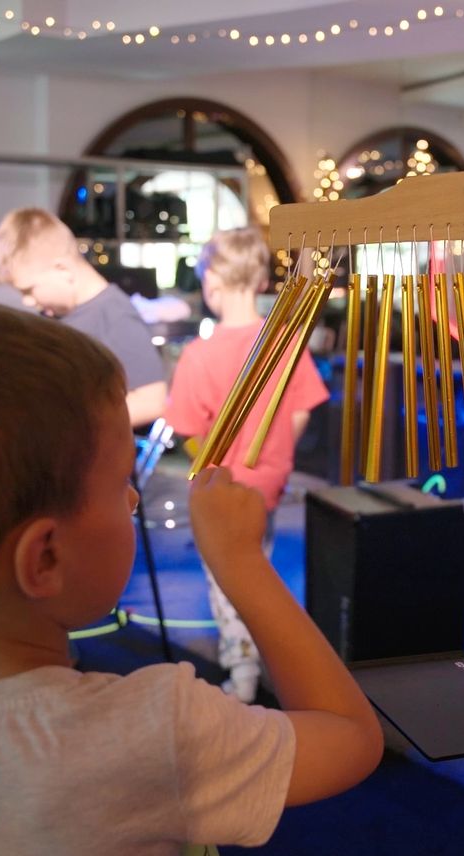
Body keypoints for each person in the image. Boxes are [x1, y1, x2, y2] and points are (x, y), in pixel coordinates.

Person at [0, 300, 383, 856]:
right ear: (45, 559)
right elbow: (350, 736)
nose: (133, 498)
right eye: (120, 482)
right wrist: (241, 563)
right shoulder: (155, 732)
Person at [164, 227, 329, 703]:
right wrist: (273, 454)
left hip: (222, 488)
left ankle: (243, 676)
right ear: (260, 281)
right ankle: (268, 662)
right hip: (268, 483)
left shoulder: (199, 355)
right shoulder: (286, 343)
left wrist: (211, 464)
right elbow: (300, 411)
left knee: (225, 580)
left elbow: (188, 431)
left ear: (210, 281)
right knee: (260, 566)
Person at [0, 207, 166, 429]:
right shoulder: (53, 316)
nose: (28, 301)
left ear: (62, 270)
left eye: (29, 290)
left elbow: (152, 400)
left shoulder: (115, 315)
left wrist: (73, 426)